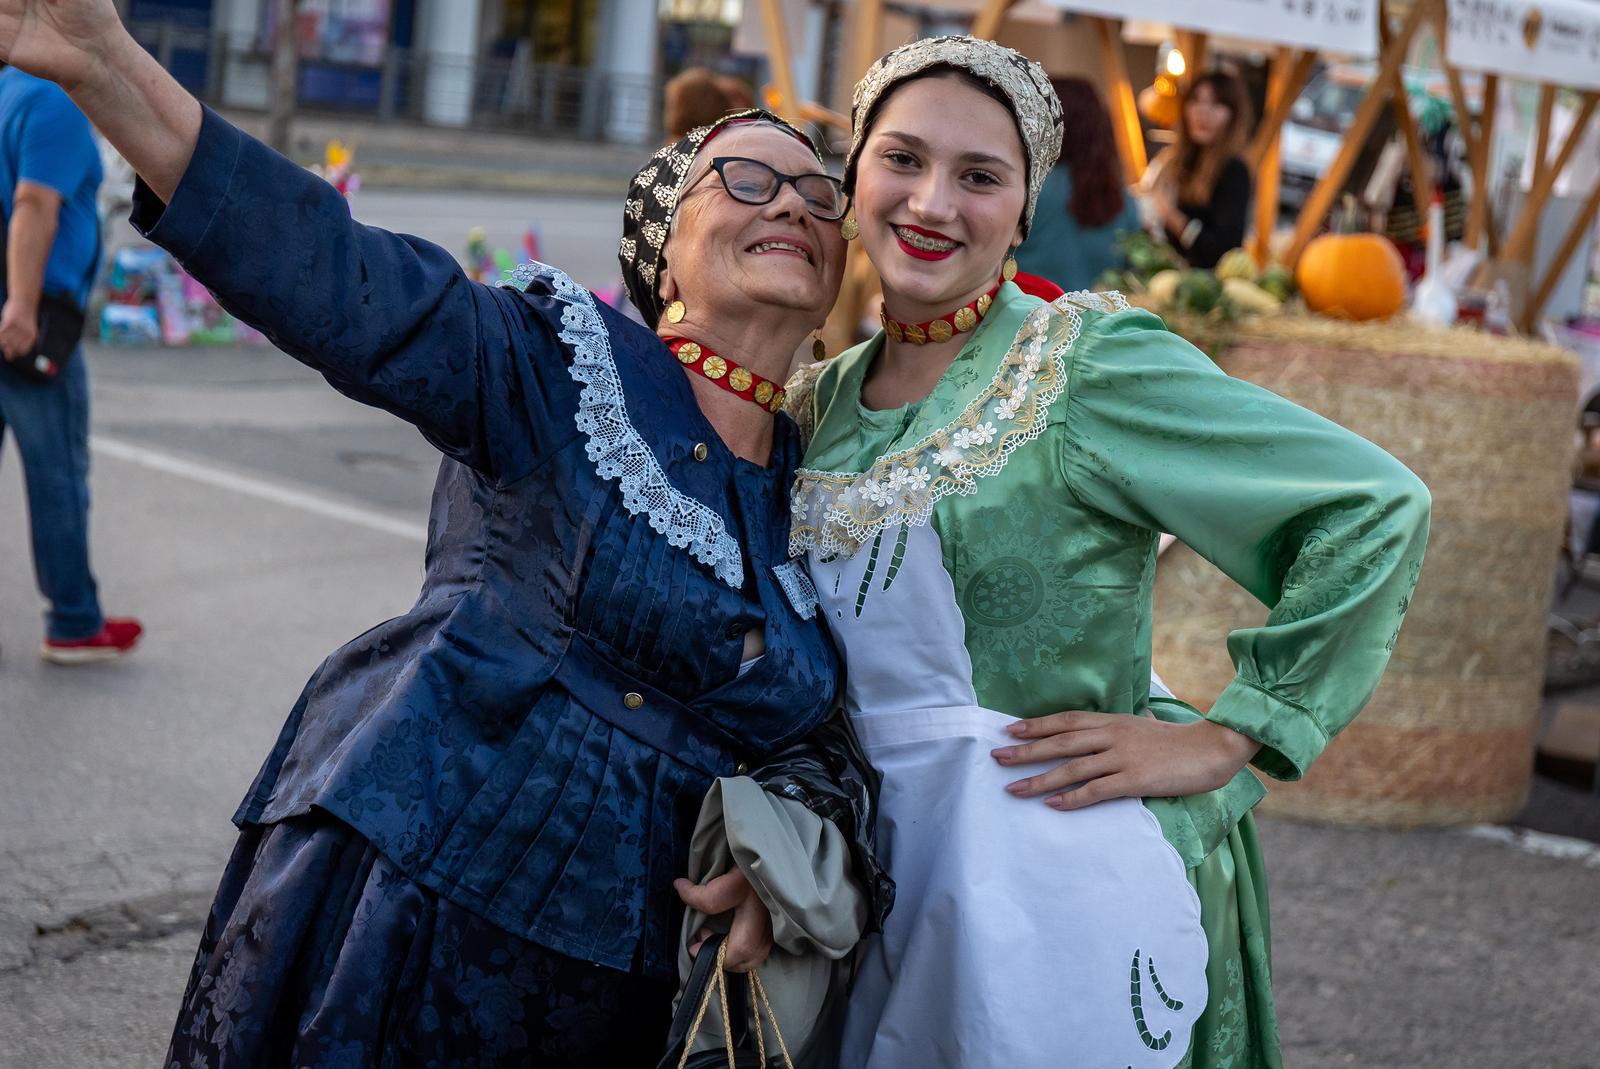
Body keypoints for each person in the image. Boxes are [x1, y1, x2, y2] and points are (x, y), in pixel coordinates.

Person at [0, 4, 887, 1064]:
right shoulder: (552, 366)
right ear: (664, 248)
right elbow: (335, 272)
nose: (790, 198)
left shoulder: (821, 499)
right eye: (744, 177)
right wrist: (108, 67)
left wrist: (781, 851)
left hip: (627, 998)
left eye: (815, 189)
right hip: (412, 923)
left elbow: (826, 740)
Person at [788, 36, 1430, 1068]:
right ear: (853, 171)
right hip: (878, 892)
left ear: (1024, 210)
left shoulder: (1080, 364)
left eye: (979, 176)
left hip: (1067, 894)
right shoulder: (814, 403)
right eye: (901, 159)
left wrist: (1230, 735)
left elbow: (1371, 504)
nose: (931, 202)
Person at [0, 62, 142, 663]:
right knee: (57, 473)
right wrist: (22, 306)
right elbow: (35, 203)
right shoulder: (50, 100)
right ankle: (75, 621)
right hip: (34, 321)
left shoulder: (7, 92)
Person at [1013, 76, 1140, 291]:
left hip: (1026, 317)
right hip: (1097, 319)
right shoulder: (1122, 199)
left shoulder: (1030, 188)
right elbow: (1133, 273)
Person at [1148, 70, 1253, 270]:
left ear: (1234, 115)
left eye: (1216, 104)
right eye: (1195, 100)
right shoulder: (1176, 162)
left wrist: (1172, 217)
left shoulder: (1234, 171)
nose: (1202, 112)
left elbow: (1220, 252)